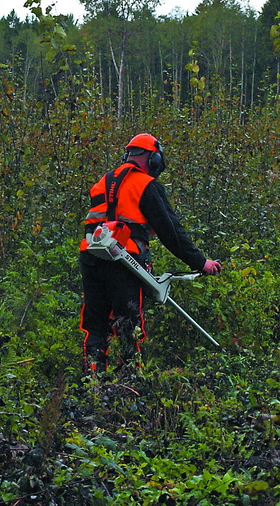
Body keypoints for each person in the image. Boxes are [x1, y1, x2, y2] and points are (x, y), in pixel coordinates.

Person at [78, 133, 222, 373]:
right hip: (125, 261)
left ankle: (93, 379)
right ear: (153, 159)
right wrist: (200, 263)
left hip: (92, 258)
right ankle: (129, 380)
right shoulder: (146, 185)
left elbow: (111, 217)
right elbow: (172, 233)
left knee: (96, 323)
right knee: (128, 323)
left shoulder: (102, 181)